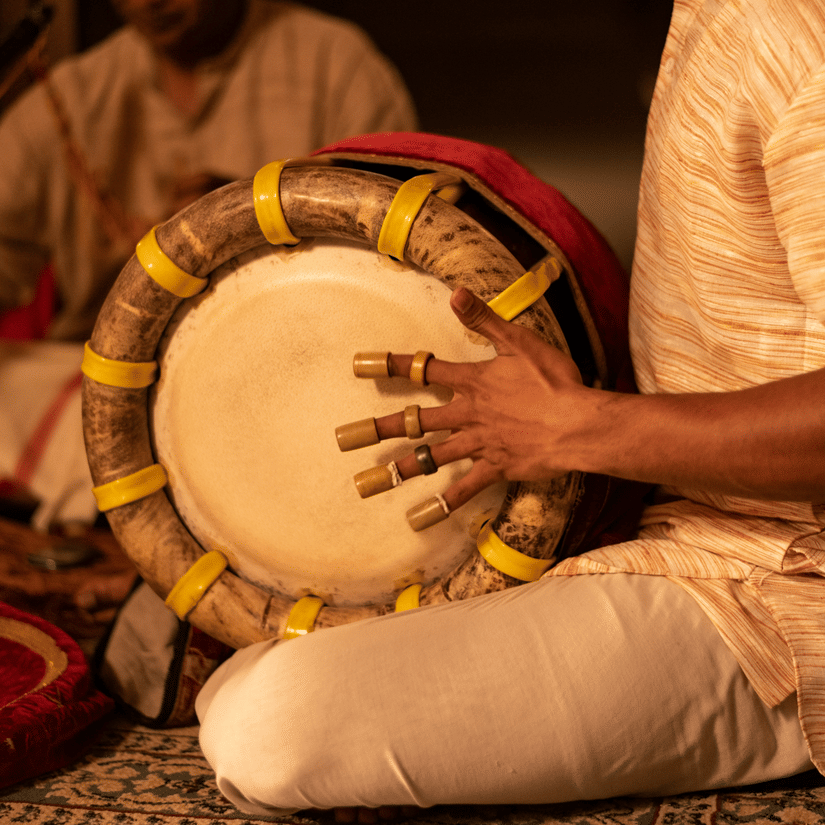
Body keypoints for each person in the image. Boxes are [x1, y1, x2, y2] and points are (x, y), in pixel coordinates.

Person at [194, 0, 825, 817]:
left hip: (787, 596)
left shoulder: (796, 33)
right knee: (253, 676)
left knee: (271, 724)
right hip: (697, 538)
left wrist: (575, 427)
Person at [0, 0, 417, 528]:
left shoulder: (336, 66)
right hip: (103, 383)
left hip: (288, 373)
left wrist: (251, 218)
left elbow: (400, 262)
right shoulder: (73, 93)